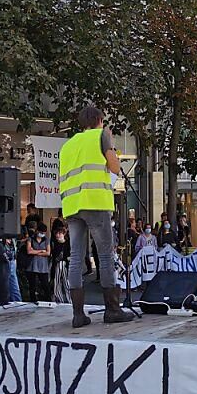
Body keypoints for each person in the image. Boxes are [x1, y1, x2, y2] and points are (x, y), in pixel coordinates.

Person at [60, 105, 133, 327]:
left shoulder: (68, 145)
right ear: (100, 120)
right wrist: (110, 144)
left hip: (72, 206)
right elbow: (114, 167)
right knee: (105, 256)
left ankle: (78, 315)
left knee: (75, 257)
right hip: (95, 203)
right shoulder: (101, 136)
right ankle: (112, 310)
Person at [24, 223, 51, 302]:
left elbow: (48, 253)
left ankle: (48, 300)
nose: (42, 234)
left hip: (43, 266)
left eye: (44, 233)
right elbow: (29, 251)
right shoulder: (31, 239)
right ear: (37, 231)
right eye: (41, 232)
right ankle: (33, 300)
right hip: (32, 265)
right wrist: (42, 251)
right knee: (32, 286)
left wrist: (35, 252)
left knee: (45, 285)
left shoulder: (46, 240)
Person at [50, 224, 71, 303]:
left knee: (67, 284)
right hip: (57, 265)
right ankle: (60, 300)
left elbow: (69, 256)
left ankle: (70, 301)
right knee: (57, 283)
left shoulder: (68, 243)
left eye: (60, 233)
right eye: (57, 233)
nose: (58, 235)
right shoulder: (54, 244)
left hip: (65, 265)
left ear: (64, 234)